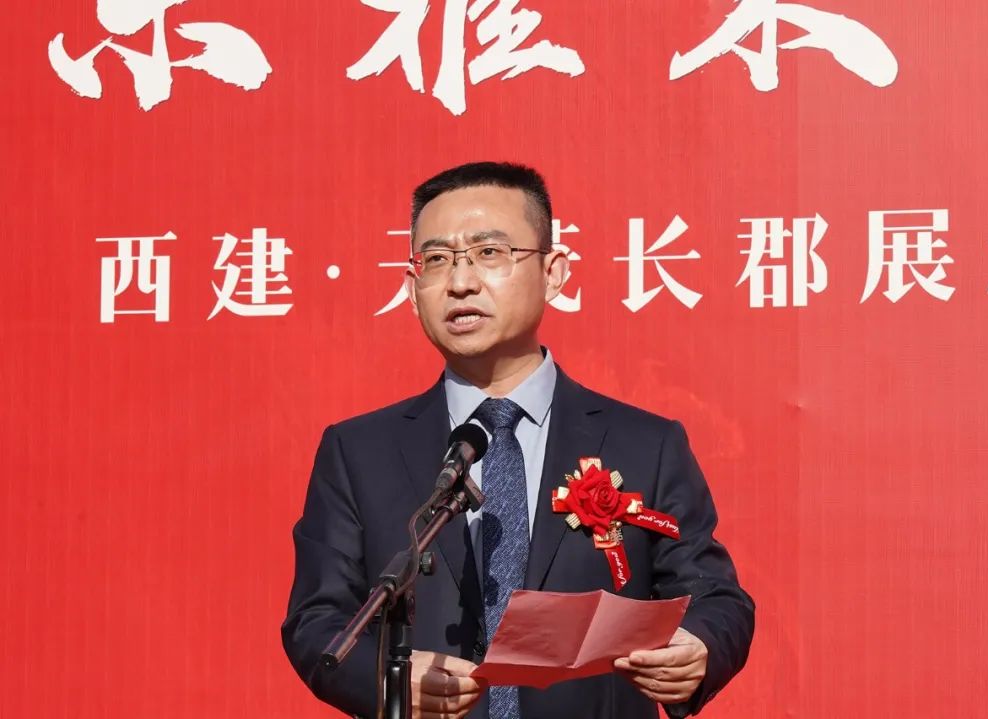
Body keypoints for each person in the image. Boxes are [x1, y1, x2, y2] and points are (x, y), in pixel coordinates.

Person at [282, 162, 754, 719]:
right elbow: (317, 622)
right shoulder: (359, 451)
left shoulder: (646, 444)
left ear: (553, 273)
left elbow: (715, 598)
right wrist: (390, 683)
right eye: (437, 260)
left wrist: (698, 646)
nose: (460, 282)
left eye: (489, 253)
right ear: (412, 289)